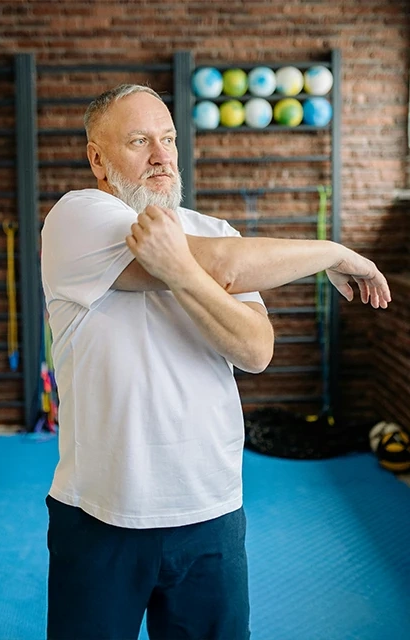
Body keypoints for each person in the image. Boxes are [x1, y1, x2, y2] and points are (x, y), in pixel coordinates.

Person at [40, 84, 391, 640]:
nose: (160, 155)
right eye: (138, 141)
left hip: (210, 511)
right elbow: (225, 267)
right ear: (98, 159)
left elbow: (255, 351)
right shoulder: (79, 218)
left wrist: (179, 271)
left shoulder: (214, 230)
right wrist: (334, 251)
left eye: (168, 139)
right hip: (103, 514)